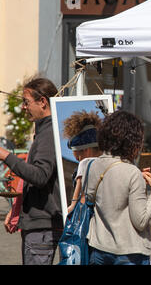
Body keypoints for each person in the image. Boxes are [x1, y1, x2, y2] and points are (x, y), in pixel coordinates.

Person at [0, 77, 62, 265]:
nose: (24, 107)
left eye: (26, 102)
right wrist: (18, 209)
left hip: (42, 227)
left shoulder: (49, 132)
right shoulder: (45, 131)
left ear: (43, 102)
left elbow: (40, 175)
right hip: (39, 224)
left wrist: (5, 156)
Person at [85, 110, 151, 265]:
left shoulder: (94, 165)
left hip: (99, 248)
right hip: (129, 253)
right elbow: (140, 221)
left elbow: (91, 198)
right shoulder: (132, 173)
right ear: (132, 141)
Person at [62, 110, 102, 214]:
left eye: (79, 158)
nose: (79, 161)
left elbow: (81, 194)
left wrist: (73, 205)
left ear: (86, 150)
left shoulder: (85, 163)